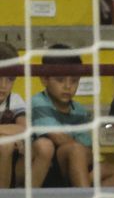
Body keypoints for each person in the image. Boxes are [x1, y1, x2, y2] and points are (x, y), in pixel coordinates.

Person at [28, 49, 92, 189]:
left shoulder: (80, 111)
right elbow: (57, 138)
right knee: (75, 149)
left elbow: (88, 152)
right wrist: (80, 151)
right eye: (60, 80)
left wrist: (82, 154)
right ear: (44, 79)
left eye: (74, 81)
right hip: (44, 167)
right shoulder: (38, 101)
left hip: (72, 165)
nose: (68, 86)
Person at [0, 43, 25, 190]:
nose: (3, 85)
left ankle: (3, 197)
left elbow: (23, 128)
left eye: (10, 79)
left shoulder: (14, 100)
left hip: (10, 162)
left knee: (6, 144)